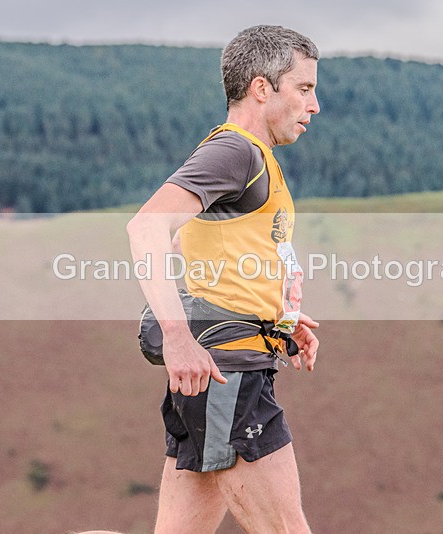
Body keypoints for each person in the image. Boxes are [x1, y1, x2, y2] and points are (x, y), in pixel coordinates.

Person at [126, 25, 321, 533]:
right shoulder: (235, 152)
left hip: (222, 371)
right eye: (304, 88)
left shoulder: (253, 158)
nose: (314, 105)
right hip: (228, 374)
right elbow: (147, 227)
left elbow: (198, 245)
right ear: (261, 88)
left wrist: (280, 318)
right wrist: (177, 338)